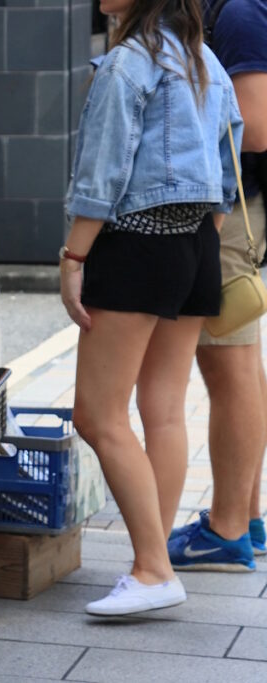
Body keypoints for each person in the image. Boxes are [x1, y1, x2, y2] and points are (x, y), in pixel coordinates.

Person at [61, 0, 243, 615]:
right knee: (163, 407)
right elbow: (229, 157)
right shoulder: (205, 60)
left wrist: (73, 258)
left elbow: (103, 171)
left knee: (97, 414)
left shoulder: (128, 63)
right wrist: (201, 233)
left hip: (137, 242)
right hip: (196, 243)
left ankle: (151, 569)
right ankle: (153, 558)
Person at [168, 0, 267, 572]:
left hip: (234, 208)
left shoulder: (239, 14)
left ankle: (228, 528)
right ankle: (245, 518)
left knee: (228, 367)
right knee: (242, 365)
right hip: (237, 205)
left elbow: (252, 125)